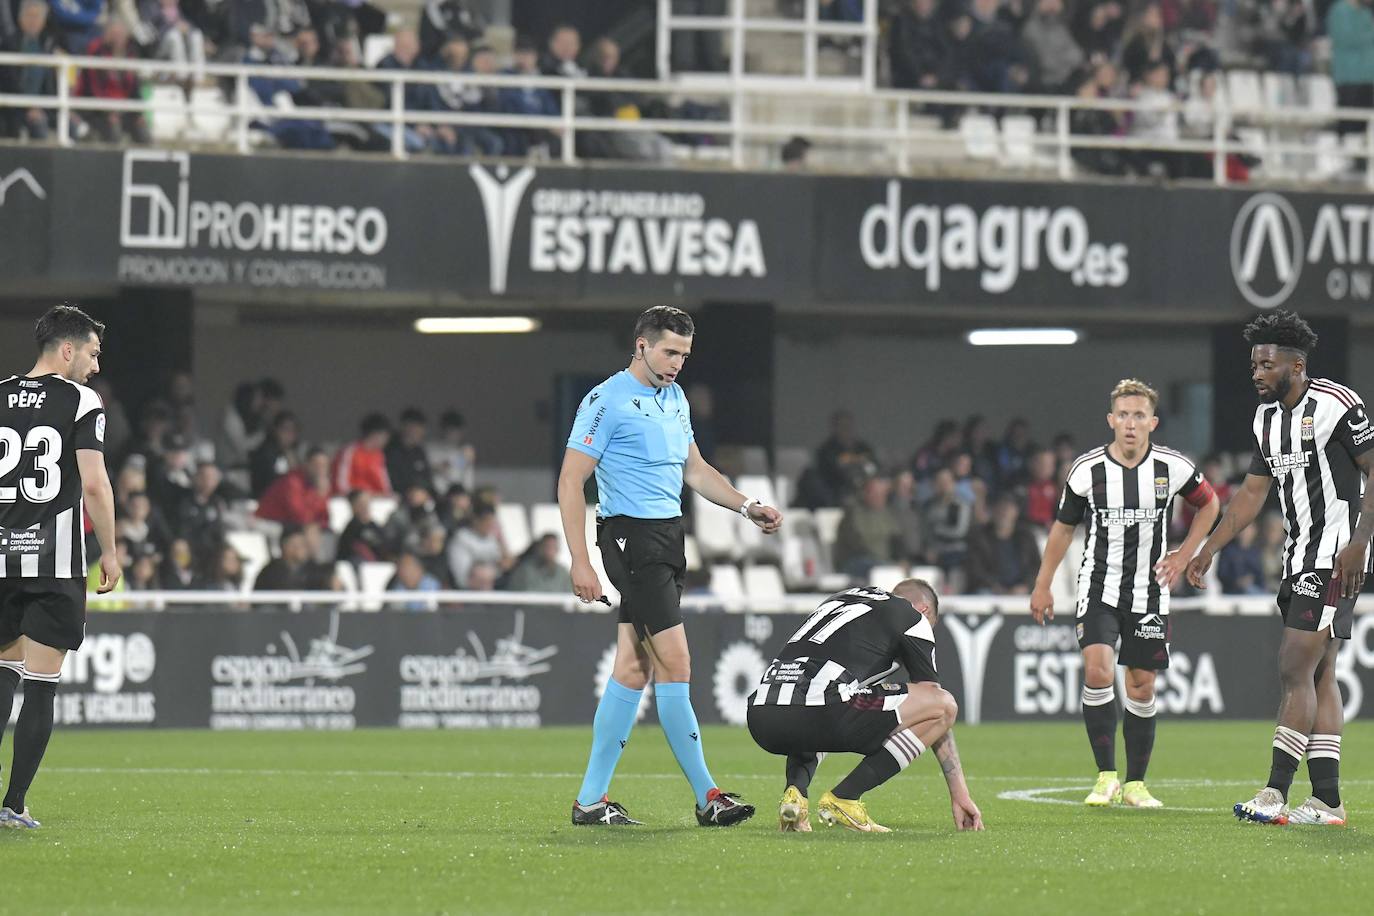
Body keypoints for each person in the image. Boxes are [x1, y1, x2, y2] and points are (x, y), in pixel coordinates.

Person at [561, 306, 781, 828]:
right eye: (669, 352)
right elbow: (571, 481)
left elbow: (697, 470)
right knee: (676, 663)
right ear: (641, 345)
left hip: (667, 538)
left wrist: (747, 506)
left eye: (684, 354)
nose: (678, 363)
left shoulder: (675, 398)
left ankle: (590, 802)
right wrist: (580, 560)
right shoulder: (606, 400)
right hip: (629, 539)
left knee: (633, 668)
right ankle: (709, 796)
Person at [1186, 311, 1373, 827]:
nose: (1256, 372)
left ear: (1297, 363)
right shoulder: (1265, 419)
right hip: (1297, 556)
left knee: (1294, 665)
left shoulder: (1337, 404)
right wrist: (1209, 548)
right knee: (1321, 671)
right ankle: (1328, 800)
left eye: (1266, 364)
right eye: (1253, 364)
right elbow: (1250, 496)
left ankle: (1275, 793)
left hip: (1336, 554)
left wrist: (1360, 542)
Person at [1031, 379, 1219, 810]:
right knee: (1097, 671)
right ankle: (1106, 777)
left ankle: (1136, 783)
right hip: (1098, 588)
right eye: (1123, 415)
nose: (1130, 424)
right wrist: (1043, 584)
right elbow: (1062, 529)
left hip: (1149, 593)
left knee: (1140, 685)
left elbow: (1208, 505)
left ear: (1152, 422)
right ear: (1111, 420)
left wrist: (1185, 553)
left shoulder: (1171, 467)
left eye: (1139, 416)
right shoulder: (1086, 470)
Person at [0, 304, 122, 829]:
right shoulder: (80, 399)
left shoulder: (0, 393)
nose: (96, 365)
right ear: (68, 349)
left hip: (1, 559)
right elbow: (93, 482)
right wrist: (111, 550)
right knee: (41, 686)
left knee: (3, 675)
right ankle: (14, 804)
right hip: (52, 562)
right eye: (92, 353)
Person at [747, 580, 982, 834]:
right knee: (944, 706)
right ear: (924, 609)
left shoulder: (844, 599)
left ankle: (795, 796)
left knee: (816, 698)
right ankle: (845, 797)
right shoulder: (913, 617)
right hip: (822, 709)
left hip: (761, 713)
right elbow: (932, 701)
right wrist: (959, 792)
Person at [965, 494, 1042, 594]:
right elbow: (975, 569)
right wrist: (994, 586)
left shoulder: (1026, 537)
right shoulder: (979, 537)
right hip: (990, 589)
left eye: (1009, 509)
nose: (1004, 513)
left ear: (1016, 512)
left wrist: (1026, 586)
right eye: (1001, 508)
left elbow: (1037, 567)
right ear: (993, 511)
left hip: (1021, 590)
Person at [333, 413, 393, 496]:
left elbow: (385, 486)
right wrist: (360, 496)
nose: (386, 441)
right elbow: (341, 485)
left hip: (374, 501)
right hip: (350, 500)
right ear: (375, 434)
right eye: (385, 436)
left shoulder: (379, 456)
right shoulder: (350, 452)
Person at [505, 534, 570, 593]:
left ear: (558, 549)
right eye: (547, 547)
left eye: (553, 547)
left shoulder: (563, 574)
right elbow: (513, 596)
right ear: (540, 548)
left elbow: (570, 597)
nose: (550, 551)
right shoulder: (525, 571)